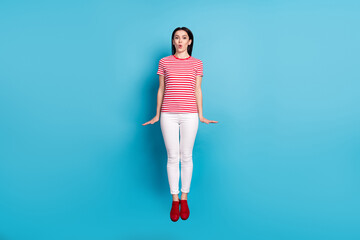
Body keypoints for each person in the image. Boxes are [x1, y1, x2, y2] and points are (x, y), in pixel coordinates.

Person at [142, 27, 218, 222]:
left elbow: (197, 90)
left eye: (184, 37)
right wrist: (157, 114)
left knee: (186, 155)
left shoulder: (197, 63)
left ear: (190, 41)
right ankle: (174, 199)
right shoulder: (164, 62)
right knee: (172, 156)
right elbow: (161, 89)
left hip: (190, 114)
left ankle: (184, 198)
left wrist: (201, 115)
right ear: (173, 41)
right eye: (177, 37)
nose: (180, 40)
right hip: (168, 114)